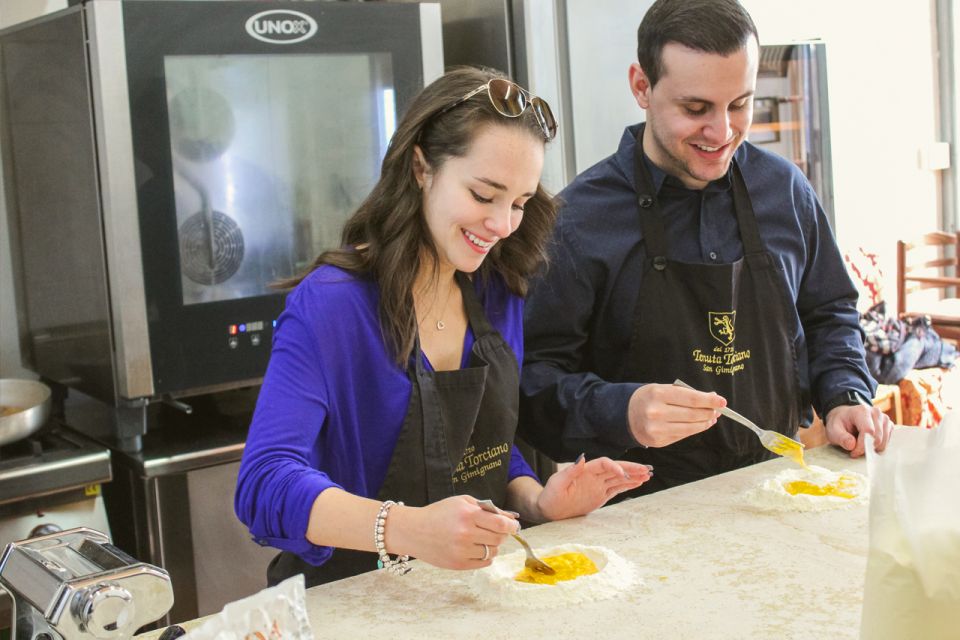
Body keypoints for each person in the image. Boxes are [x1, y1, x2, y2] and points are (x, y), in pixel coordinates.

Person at [235, 67, 652, 587]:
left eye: (519, 203)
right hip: (349, 602)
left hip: (463, 597)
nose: (502, 225)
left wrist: (537, 500)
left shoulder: (496, 290)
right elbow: (263, 484)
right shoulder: (332, 304)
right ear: (421, 168)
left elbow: (481, 443)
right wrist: (406, 528)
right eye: (483, 195)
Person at [518, 0, 893, 497]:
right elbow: (531, 379)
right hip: (636, 509)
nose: (722, 132)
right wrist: (620, 410)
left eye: (740, 104)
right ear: (641, 87)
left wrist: (845, 393)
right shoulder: (577, 221)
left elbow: (829, 312)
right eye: (696, 109)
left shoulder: (784, 190)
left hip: (779, 487)